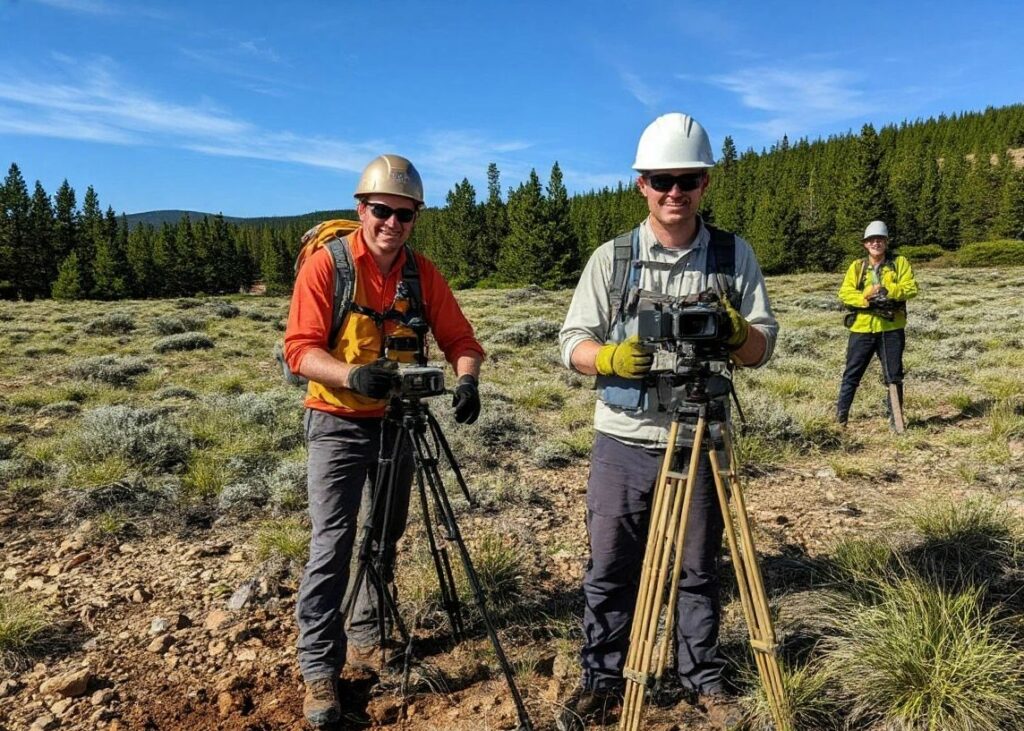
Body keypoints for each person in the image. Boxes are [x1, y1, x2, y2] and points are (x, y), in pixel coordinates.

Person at [557, 113, 779, 731]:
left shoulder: (734, 255)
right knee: (609, 566)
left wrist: (737, 335)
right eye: (662, 180)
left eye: (687, 180)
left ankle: (700, 677)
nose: (674, 192)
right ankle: (601, 677)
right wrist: (607, 357)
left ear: (705, 183)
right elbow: (570, 340)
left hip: (703, 437)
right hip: (623, 441)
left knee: (699, 569)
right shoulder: (612, 259)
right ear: (641, 184)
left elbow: (764, 345)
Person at [283, 154, 485, 728]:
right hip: (338, 420)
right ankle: (320, 670)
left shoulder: (423, 274)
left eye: (405, 214)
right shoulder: (328, 267)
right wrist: (352, 376)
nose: (392, 224)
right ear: (360, 208)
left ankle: (368, 636)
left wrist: (466, 379)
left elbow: (460, 338)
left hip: (398, 422)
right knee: (334, 543)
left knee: (385, 534)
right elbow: (299, 350)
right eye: (382, 211)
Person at [836, 220, 918, 428]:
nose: (876, 243)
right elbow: (845, 293)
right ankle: (840, 421)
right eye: (872, 240)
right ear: (865, 244)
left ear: (886, 242)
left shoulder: (899, 263)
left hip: (891, 328)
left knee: (894, 376)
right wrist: (867, 296)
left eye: (880, 239)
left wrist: (887, 290)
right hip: (862, 328)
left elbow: (911, 287)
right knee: (851, 375)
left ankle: (897, 423)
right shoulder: (857, 267)